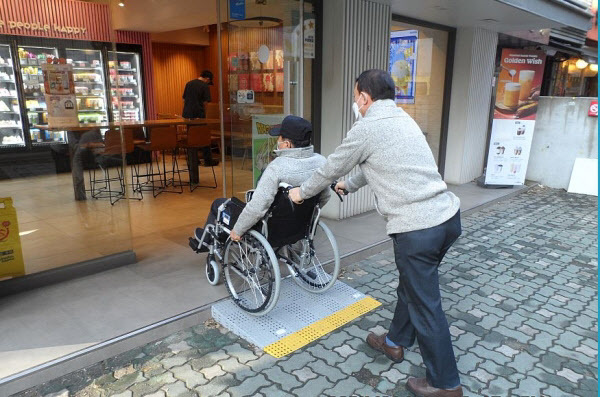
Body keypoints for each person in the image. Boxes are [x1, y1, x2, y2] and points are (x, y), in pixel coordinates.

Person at [289, 69, 463, 397]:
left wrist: (301, 192)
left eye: (356, 96)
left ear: (365, 98)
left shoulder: (367, 128)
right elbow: (379, 165)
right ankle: (395, 342)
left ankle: (445, 384)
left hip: (418, 228)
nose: (355, 102)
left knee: (427, 305)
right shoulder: (402, 119)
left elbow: (330, 168)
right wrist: (348, 185)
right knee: (413, 287)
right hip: (447, 219)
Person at [192, 115, 330, 247]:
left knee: (219, 204)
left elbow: (257, 207)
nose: (277, 142)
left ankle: (205, 241)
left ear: (287, 144)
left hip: (270, 228)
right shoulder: (321, 162)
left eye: (279, 138)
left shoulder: (277, 167)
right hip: (298, 225)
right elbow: (325, 196)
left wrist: (238, 230)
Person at [182, 70, 215, 166]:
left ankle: (193, 160)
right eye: (209, 82)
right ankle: (208, 161)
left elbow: (184, 100)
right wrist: (205, 114)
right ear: (207, 79)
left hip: (187, 115)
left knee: (191, 137)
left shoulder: (189, 84)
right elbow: (205, 103)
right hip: (198, 115)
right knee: (203, 137)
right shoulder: (204, 86)